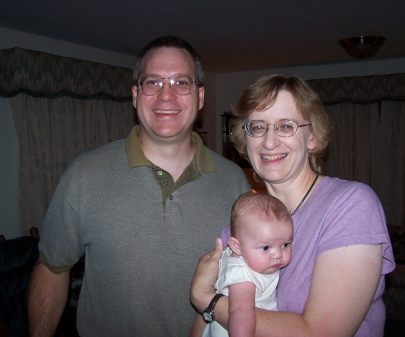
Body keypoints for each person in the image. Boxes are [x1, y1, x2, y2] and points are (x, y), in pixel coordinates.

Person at [27, 36, 251, 337]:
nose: (166, 96)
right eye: (153, 83)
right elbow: (53, 267)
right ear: (135, 94)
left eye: (181, 82)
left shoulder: (234, 180)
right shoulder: (84, 175)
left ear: (199, 97)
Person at [190, 74, 396, 337]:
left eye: (286, 126)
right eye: (258, 127)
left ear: (312, 137)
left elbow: (321, 333)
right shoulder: (241, 224)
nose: (269, 141)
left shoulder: (351, 205)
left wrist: (206, 299)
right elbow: (202, 328)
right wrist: (207, 303)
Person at [192, 192, 294, 337]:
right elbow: (240, 311)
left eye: (285, 244)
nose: (278, 254)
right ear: (237, 246)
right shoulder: (242, 275)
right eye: (266, 247)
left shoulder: (249, 257)